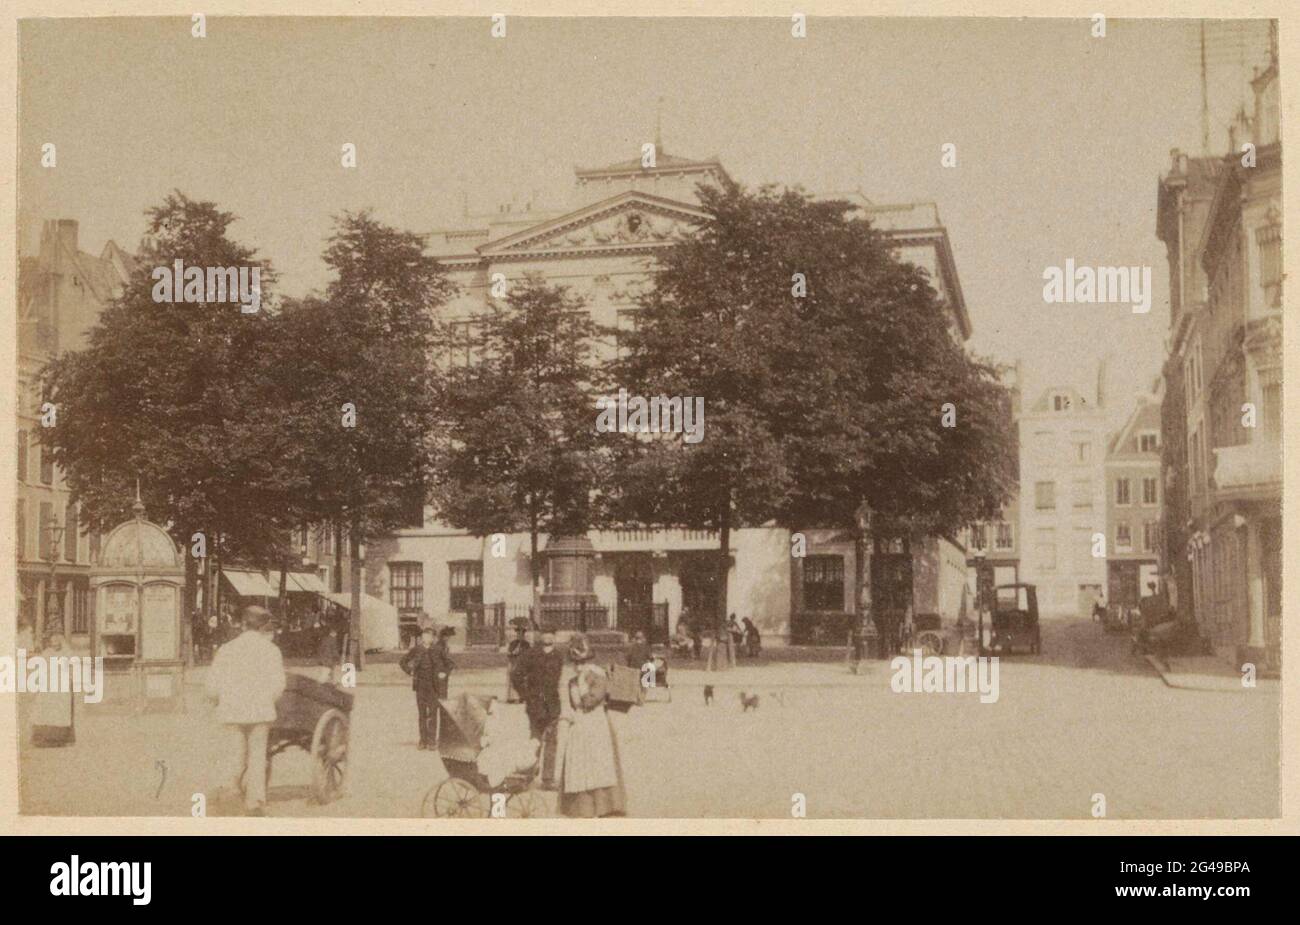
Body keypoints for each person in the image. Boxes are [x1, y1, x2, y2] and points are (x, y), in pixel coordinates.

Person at [204, 605, 286, 816]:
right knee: (257, 756)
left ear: (242, 624)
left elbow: (212, 686)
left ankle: (230, 793)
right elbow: (279, 685)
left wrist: (218, 700)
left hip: (231, 710)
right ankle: (255, 802)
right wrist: (268, 700)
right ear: (263, 626)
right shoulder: (271, 651)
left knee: (234, 754)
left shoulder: (226, 649)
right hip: (260, 711)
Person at [559, 634, 627, 818]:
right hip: (579, 725)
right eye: (576, 663)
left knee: (599, 762)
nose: (579, 666)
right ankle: (583, 808)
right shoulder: (573, 680)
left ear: (589, 660)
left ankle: (605, 806)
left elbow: (593, 699)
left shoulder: (597, 675)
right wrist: (570, 715)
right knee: (580, 764)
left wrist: (583, 691)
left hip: (596, 723)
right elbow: (573, 704)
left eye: (582, 662)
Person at [515, 626, 566, 786]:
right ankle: (528, 776)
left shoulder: (558, 655)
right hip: (535, 704)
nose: (548, 637)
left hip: (552, 704)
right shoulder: (530, 654)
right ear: (540, 636)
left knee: (552, 741)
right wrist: (525, 695)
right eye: (545, 634)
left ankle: (548, 779)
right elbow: (516, 675)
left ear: (555, 637)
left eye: (551, 634)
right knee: (535, 740)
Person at [30, 632, 76, 747]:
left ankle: (59, 738)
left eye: (58, 640)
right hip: (48, 684)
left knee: (61, 709)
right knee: (44, 707)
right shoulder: (47, 653)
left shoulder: (67, 653)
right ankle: (43, 737)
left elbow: (72, 669)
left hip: (62, 685)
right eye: (53, 641)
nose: (55, 643)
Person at [400, 627, 441, 749]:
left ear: (433, 638)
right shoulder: (416, 649)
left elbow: (448, 664)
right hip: (420, 685)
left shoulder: (438, 650)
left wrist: (443, 673)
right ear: (422, 637)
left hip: (434, 686)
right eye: (424, 636)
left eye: (429, 636)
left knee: (433, 713)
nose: (426, 638)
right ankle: (423, 741)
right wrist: (410, 671)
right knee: (422, 714)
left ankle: (432, 741)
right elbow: (403, 662)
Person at [505, 623, 531, 703]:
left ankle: (522, 697)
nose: (520, 636)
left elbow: (529, 655)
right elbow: (509, 653)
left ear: (524, 635)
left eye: (521, 634)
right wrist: (513, 653)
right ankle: (511, 697)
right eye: (518, 634)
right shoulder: (513, 643)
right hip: (514, 663)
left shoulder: (526, 644)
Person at [434, 626, 456, 699]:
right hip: (440, 671)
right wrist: (451, 665)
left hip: (444, 670)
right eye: (447, 637)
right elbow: (443, 658)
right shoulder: (439, 646)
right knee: (441, 692)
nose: (448, 638)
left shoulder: (443, 645)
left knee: (443, 691)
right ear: (443, 636)